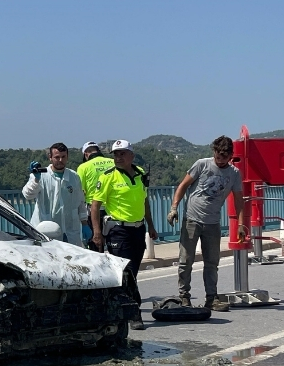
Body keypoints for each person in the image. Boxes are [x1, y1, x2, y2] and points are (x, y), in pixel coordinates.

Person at [168, 136, 244, 310]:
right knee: (185, 261)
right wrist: (174, 208)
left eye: (224, 156)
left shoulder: (233, 174)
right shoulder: (202, 164)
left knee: (212, 262)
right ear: (214, 152)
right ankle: (184, 296)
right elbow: (183, 185)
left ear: (231, 155)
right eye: (218, 154)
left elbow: (239, 200)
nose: (220, 158)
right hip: (192, 219)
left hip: (212, 222)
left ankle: (211, 298)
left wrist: (240, 225)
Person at [90, 140, 157, 330]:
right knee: (126, 273)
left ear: (131, 156)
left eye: (122, 154)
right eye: (115, 154)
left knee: (133, 271)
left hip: (138, 229)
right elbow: (95, 206)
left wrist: (150, 225)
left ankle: (118, 307)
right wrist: (97, 233)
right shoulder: (108, 177)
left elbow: (145, 201)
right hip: (119, 230)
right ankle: (133, 313)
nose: (118, 158)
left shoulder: (141, 174)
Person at [22, 143, 88, 247]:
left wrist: (85, 224)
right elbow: (28, 195)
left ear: (67, 157)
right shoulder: (41, 176)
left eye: (63, 157)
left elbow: (80, 202)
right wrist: (36, 180)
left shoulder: (74, 177)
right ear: (50, 157)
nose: (60, 160)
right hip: (45, 231)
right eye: (57, 157)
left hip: (70, 232)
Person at [77, 141, 115, 251]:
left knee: (96, 245)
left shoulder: (83, 167)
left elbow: (81, 191)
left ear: (86, 154)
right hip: (114, 209)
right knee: (116, 244)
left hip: (94, 210)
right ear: (98, 151)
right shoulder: (113, 162)